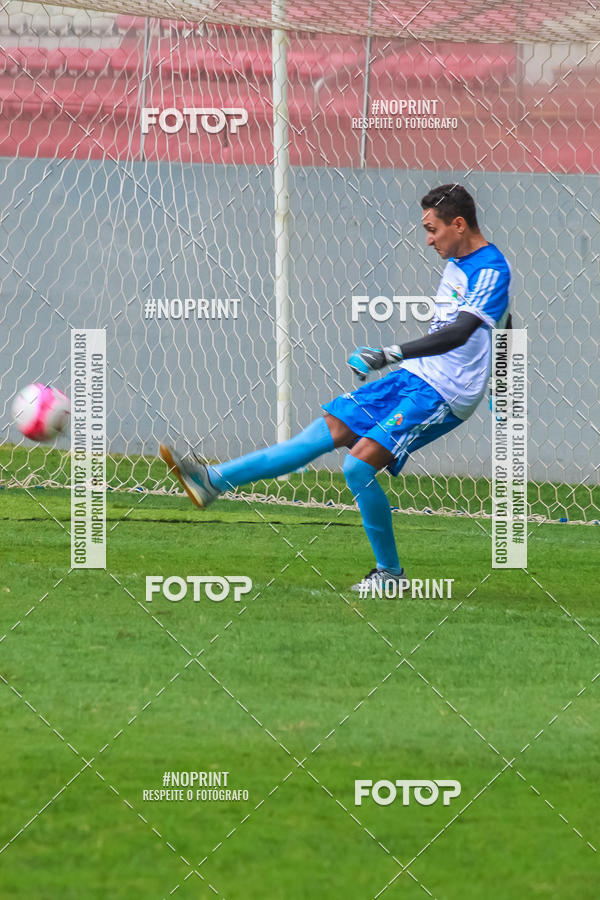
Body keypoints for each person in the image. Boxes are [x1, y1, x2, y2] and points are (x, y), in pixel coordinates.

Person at [160, 184, 511, 591]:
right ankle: (212, 480)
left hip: (444, 394)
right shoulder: (457, 260)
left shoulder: (490, 269)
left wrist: (389, 353)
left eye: (432, 230)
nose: (428, 239)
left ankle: (390, 575)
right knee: (318, 435)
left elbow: (463, 332)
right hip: (414, 377)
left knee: (357, 466)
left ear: (459, 224)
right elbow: (504, 318)